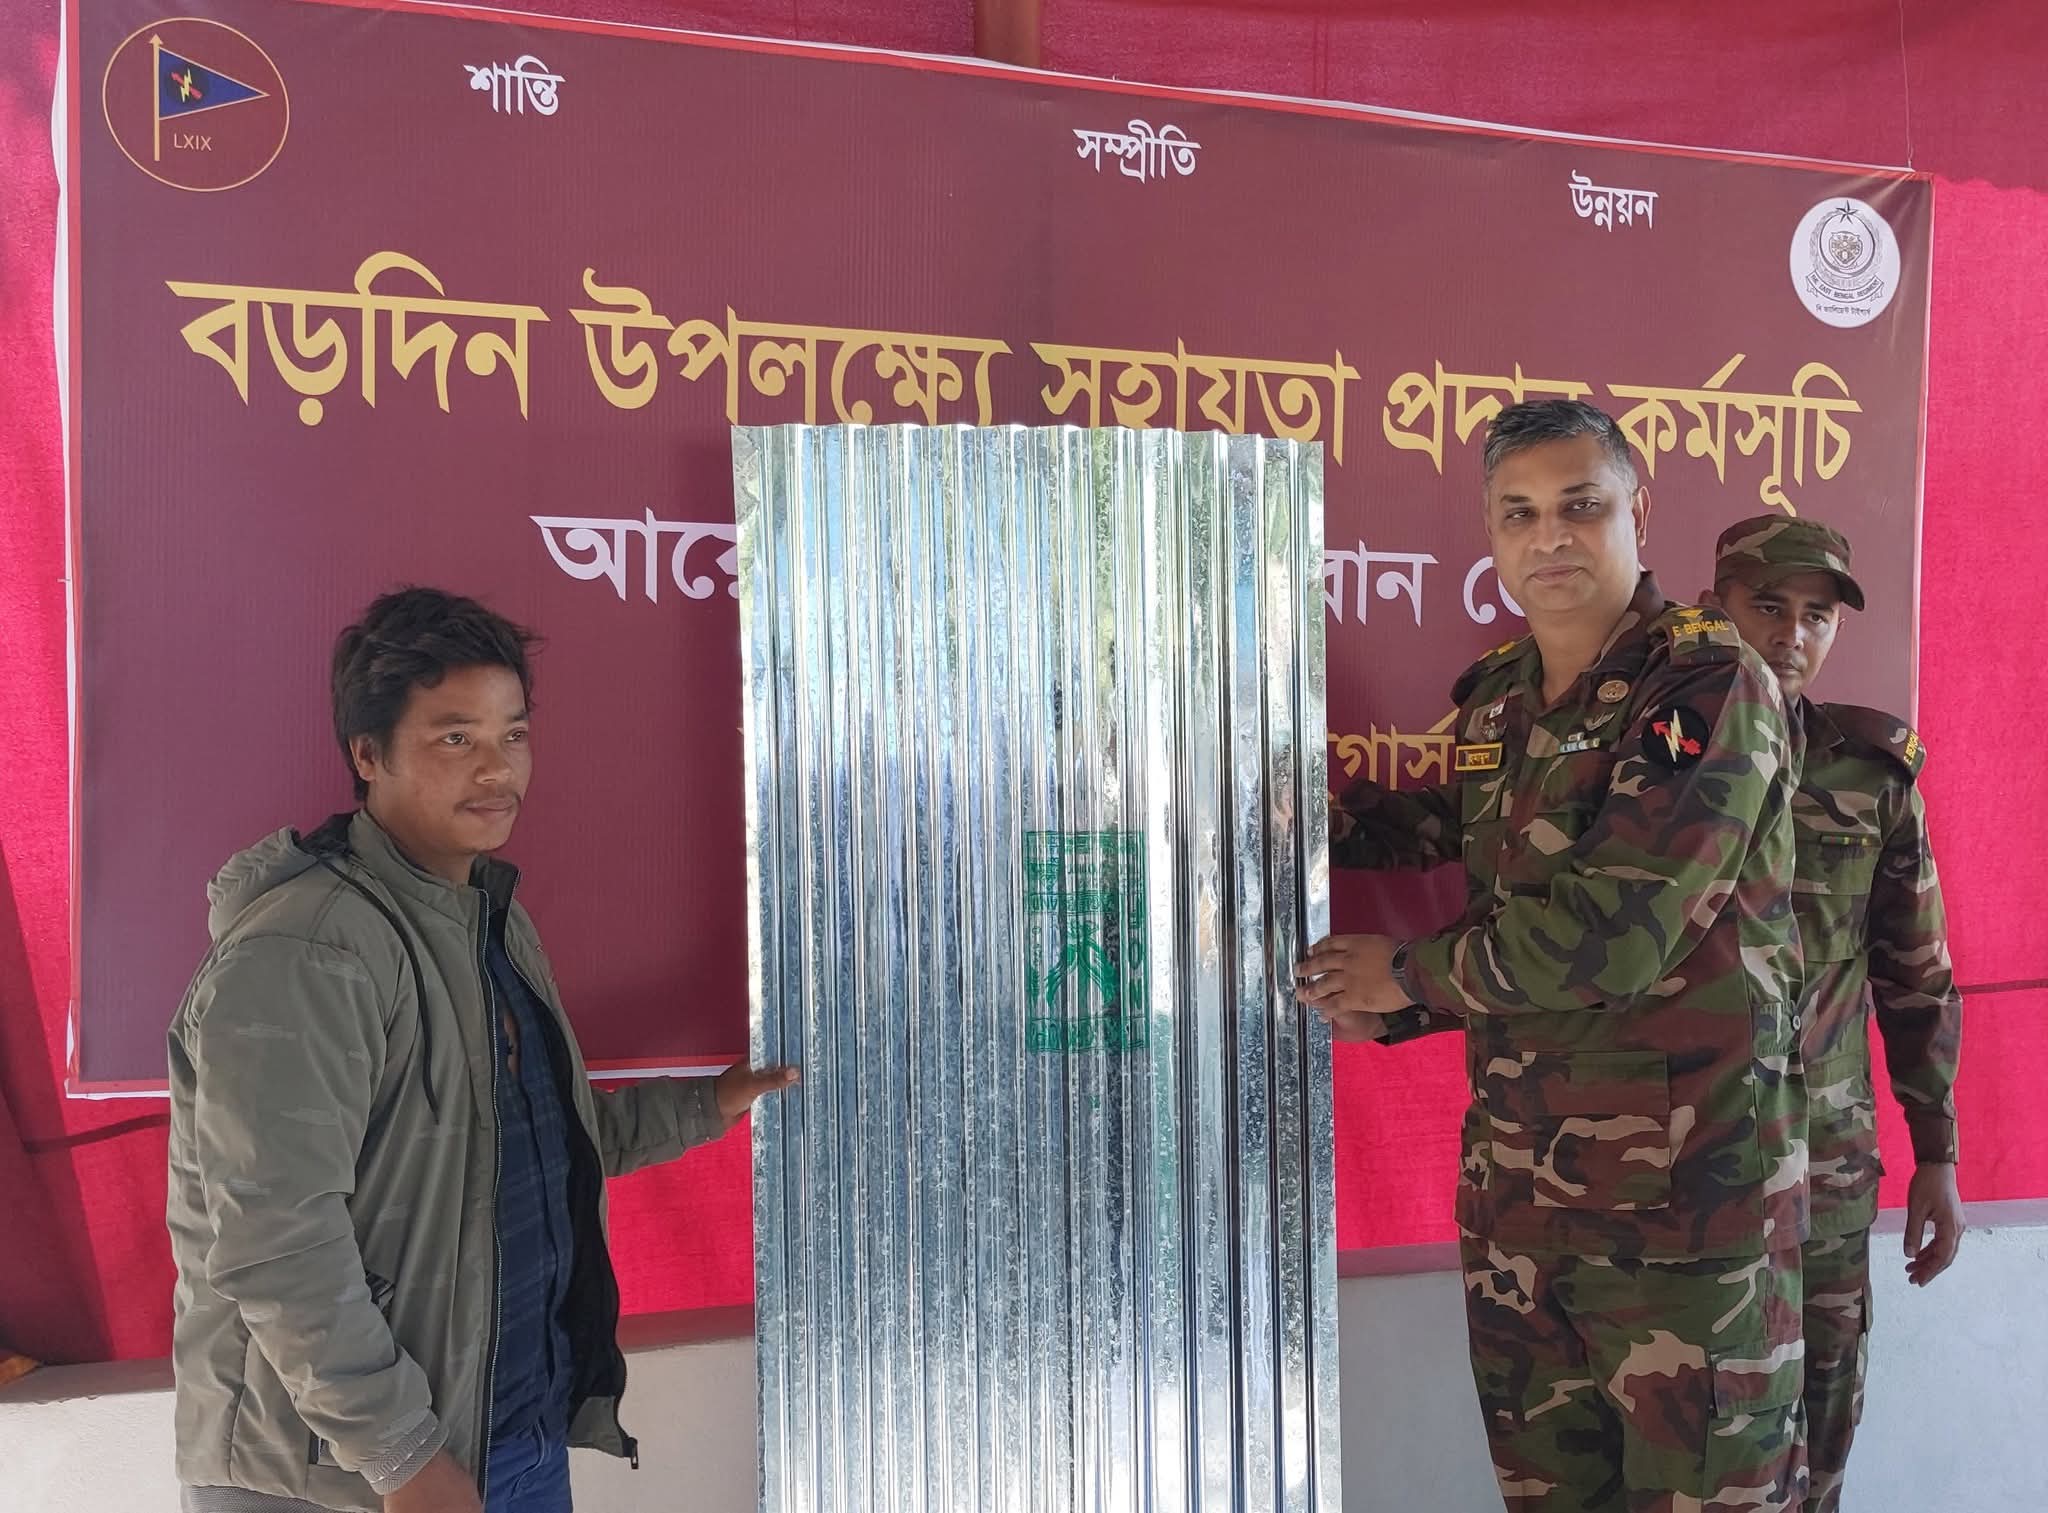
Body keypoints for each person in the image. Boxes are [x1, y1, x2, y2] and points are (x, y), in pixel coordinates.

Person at [167, 587, 796, 1513]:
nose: (497, 768)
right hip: (345, 1478)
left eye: (514, 734)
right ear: (368, 754)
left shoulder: (489, 923)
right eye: (455, 737)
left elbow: (544, 1142)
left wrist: (713, 1101)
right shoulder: (309, 951)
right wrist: (401, 1452)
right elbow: (276, 1238)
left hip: (506, 1440)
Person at [1298, 400, 1808, 1511]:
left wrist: (1408, 976)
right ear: (1490, 530)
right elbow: (1460, 847)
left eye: (1581, 505)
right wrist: (1282, 822)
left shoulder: (1704, 686)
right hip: (1522, 1212)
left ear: (1637, 511)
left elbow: (1614, 935)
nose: (1550, 537)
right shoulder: (1499, 698)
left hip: (1685, 1224)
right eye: (1519, 513)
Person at [1702, 515, 1965, 1511]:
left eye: (1816, 615)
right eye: (1767, 606)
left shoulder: (1870, 776)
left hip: (1826, 1169)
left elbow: (1916, 976)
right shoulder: (1654, 762)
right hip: (1685, 1167)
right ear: (1714, 608)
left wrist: (1936, 1152)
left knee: (1817, 1436)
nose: (1791, 634)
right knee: (1690, 1438)